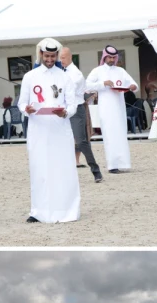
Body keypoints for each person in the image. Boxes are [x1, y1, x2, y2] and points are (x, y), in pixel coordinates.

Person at [20, 40, 79, 224]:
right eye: (47, 56)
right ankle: (38, 211)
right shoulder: (30, 77)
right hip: (38, 131)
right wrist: (26, 110)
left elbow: (73, 105)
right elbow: (21, 103)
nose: (50, 59)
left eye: (53, 56)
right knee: (40, 169)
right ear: (41, 55)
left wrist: (66, 113)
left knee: (63, 169)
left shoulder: (65, 77)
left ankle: (66, 210)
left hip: (60, 129)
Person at [84, 45, 138, 173]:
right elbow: (87, 86)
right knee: (110, 136)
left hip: (119, 108)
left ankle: (123, 163)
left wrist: (133, 86)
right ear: (104, 57)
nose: (111, 59)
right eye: (109, 57)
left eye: (114, 57)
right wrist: (103, 84)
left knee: (120, 135)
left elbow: (134, 84)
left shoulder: (121, 71)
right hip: (106, 109)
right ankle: (112, 165)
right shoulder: (97, 71)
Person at [59, 47, 103, 184]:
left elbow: (67, 91)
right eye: (60, 58)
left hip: (76, 109)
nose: (61, 61)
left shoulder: (76, 75)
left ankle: (95, 170)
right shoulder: (60, 71)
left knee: (81, 141)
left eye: (63, 58)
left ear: (70, 57)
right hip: (62, 109)